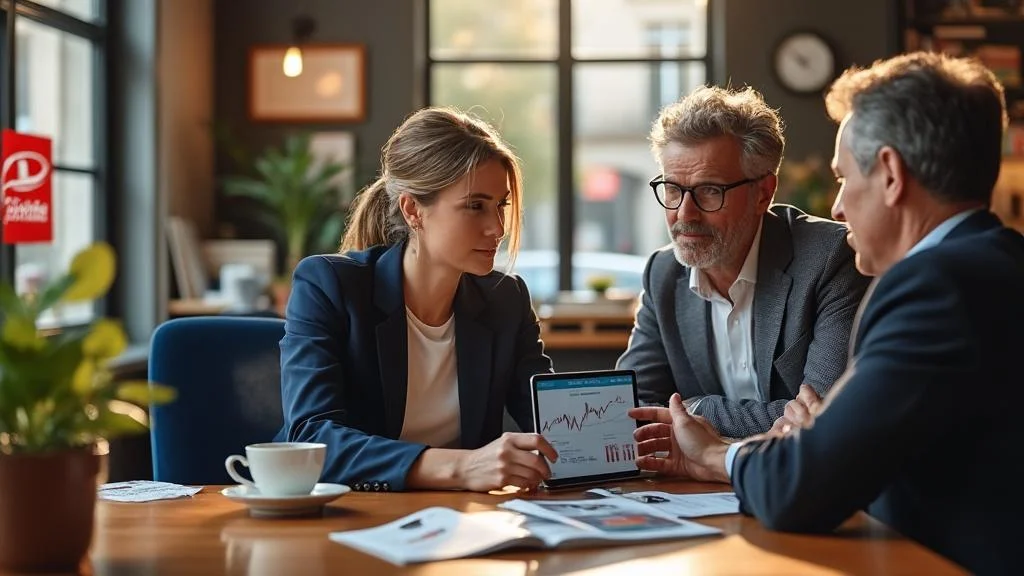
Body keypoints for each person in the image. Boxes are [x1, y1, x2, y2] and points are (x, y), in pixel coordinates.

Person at [628, 52, 1020, 575]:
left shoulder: (936, 288)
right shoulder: (996, 261)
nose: (836, 207)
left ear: (890, 175)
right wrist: (818, 443)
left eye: (843, 178)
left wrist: (713, 454)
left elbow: (805, 483)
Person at [275, 107, 557, 493]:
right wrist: (462, 467)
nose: (497, 228)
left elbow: (555, 421)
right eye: (475, 205)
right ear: (413, 210)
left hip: (458, 525)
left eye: (500, 205)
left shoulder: (505, 299)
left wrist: (636, 437)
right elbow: (311, 437)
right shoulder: (329, 285)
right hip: (348, 519)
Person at [617, 85, 870, 438]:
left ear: (762, 194)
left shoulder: (829, 258)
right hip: (691, 488)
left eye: (709, 190)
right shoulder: (663, 274)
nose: (684, 214)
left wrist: (697, 409)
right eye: (673, 189)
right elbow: (631, 406)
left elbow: (824, 415)